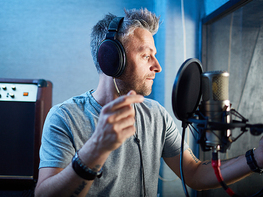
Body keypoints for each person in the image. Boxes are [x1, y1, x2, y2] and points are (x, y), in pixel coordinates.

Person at [35, 8, 263, 197]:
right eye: (146, 56)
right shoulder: (65, 117)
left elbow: (194, 173)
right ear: (111, 60)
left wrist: (257, 158)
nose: (157, 66)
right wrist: (97, 147)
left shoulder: (156, 115)